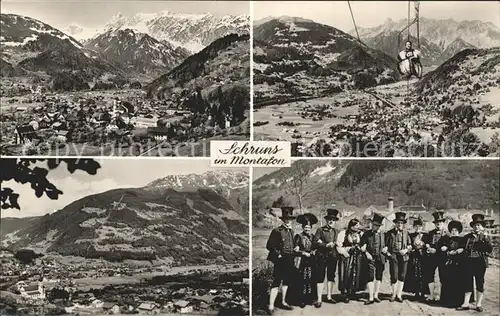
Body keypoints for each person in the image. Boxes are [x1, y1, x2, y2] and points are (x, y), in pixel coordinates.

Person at [457, 214, 494, 312]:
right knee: (467, 282)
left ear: (482, 227)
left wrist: (485, 239)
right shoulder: (467, 237)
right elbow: (462, 248)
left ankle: (478, 304)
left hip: (480, 262)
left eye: (479, 225)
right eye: (475, 225)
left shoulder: (485, 237)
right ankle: (466, 303)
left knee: (480, 282)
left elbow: (490, 249)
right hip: (468, 262)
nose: (477, 227)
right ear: (472, 226)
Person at [265, 206, 297, 314]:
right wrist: (278, 255)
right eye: (286, 219)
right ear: (283, 220)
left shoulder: (292, 232)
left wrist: (296, 248)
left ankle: (283, 302)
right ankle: (271, 306)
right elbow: (269, 245)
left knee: (287, 281)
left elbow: (293, 245)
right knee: (276, 281)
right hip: (280, 260)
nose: (288, 221)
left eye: (290, 219)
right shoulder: (276, 231)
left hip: (290, 259)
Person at [313, 208, 340, 307]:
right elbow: (315, 242)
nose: (331, 221)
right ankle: (319, 299)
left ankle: (329, 296)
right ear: (326, 220)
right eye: (329, 219)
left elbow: (340, 243)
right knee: (320, 276)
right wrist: (325, 245)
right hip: (321, 256)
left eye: (333, 219)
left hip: (333, 256)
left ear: (335, 221)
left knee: (331, 276)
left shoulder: (337, 231)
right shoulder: (320, 230)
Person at [360, 213, 388, 305]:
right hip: (370, 258)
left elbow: (388, 245)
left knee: (379, 276)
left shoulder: (384, 235)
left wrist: (386, 248)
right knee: (370, 276)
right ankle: (371, 297)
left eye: (377, 225)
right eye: (374, 224)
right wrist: (366, 253)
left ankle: (376, 295)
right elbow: (362, 246)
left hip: (381, 257)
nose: (374, 227)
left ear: (380, 226)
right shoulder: (366, 234)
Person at [336, 218, 366, 303]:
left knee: (356, 273)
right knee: (346, 273)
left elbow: (364, 243)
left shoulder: (361, 233)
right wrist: (345, 252)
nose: (358, 227)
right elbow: (338, 245)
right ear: (352, 226)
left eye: (358, 225)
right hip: (347, 257)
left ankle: (353, 292)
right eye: (356, 225)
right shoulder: (344, 233)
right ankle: (345, 293)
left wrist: (362, 247)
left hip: (357, 257)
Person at [293, 213, 319, 308]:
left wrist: (313, 252)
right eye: (305, 228)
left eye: (309, 228)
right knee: (302, 280)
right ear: (303, 228)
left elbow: (316, 247)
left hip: (311, 261)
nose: (307, 229)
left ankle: (311, 299)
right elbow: (295, 249)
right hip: (302, 261)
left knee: (312, 279)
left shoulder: (313, 236)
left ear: (311, 228)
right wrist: (303, 253)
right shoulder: (298, 236)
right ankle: (301, 299)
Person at [386, 212, 412, 302]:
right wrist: (388, 254)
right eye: (398, 223)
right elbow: (385, 245)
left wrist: (406, 250)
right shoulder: (390, 233)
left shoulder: (406, 233)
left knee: (402, 275)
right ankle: (393, 294)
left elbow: (410, 245)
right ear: (395, 223)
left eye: (401, 223)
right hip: (394, 256)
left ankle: (399, 295)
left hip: (404, 257)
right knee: (394, 275)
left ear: (403, 224)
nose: (399, 224)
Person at [440, 220, 466, 308]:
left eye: (456, 230)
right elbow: (444, 248)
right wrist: (446, 251)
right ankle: (447, 301)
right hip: (449, 264)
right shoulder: (448, 239)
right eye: (452, 230)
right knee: (448, 281)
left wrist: (456, 252)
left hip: (459, 264)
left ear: (459, 231)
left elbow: (463, 249)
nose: (454, 232)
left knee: (458, 282)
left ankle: (457, 302)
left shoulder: (463, 239)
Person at [404, 218, 430, 301]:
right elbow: (409, 244)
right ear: (414, 227)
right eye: (416, 226)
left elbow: (428, 245)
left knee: (423, 274)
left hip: (423, 258)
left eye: (419, 226)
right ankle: (416, 292)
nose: (418, 228)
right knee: (414, 274)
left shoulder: (426, 235)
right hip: (414, 257)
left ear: (422, 227)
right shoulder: (411, 235)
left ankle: (423, 293)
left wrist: (424, 245)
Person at [425, 211, 448, 303]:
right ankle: (431, 295)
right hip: (431, 257)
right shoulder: (430, 233)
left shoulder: (447, 234)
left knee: (443, 276)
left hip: (442, 257)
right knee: (429, 275)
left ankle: (440, 295)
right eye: (437, 223)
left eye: (440, 223)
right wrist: (429, 247)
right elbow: (426, 242)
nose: (438, 224)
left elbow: (450, 244)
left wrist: (446, 247)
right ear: (435, 224)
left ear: (443, 223)